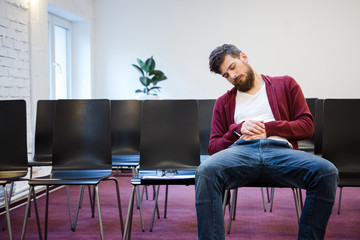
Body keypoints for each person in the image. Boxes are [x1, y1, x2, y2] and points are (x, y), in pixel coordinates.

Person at [195, 44, 339, 240]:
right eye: (225, 76)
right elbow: (213, 148)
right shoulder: (224, 102)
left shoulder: (286, 84)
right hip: (241, 153)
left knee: (327, 172)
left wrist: (269, 128)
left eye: (232, 67)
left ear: (244, 57)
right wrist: (238, 129)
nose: (232, 76)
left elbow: (307, 126)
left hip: (281, 152)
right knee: (206, 171)